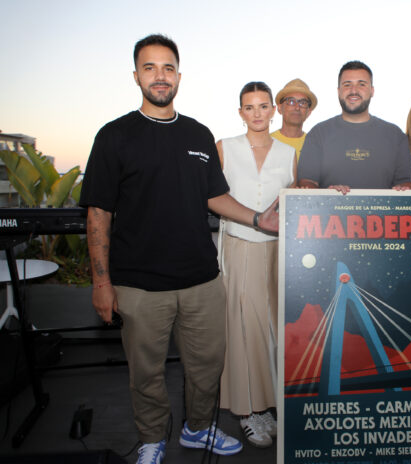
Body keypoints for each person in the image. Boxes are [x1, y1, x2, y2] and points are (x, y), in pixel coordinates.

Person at [80, 34, 278, 464]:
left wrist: (259, 219)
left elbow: (215, 196)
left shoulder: (198, 134)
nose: (160, 76)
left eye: (167, 67)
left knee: (207, 368)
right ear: (136, 76)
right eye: (149, 67)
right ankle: (152, 439)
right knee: (146, 373)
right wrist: (101, 282)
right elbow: (98, 213)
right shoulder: (114, 136)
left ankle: (198, 428)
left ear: (179, 76)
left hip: (202, 281)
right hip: (139, 285)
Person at [216, 82, 296, 448]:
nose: (257, 113)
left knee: (275, 330)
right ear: (240, 112)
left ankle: (268, 404)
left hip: (279, 250)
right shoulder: (225, 147)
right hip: (240, 246)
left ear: (273, 110)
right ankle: (248, 410)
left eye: (263, 106)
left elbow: (297, 201)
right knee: (244, 328)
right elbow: (212, 196)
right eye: (249, 107)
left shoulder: (288, 153)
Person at [297, 60, 411, 192]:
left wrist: (404, 190)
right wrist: (329, 194)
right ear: (338, 91)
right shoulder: (318, 134)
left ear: (372, 91)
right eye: (347, 84)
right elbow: (306, 182)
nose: (354, 91)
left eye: (361, 84)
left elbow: (408, 184)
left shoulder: (395, 136)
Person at [271, 78, 317, 161]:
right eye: (291, 101)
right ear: (280, 108)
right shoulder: (266, 143)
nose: (297, 107)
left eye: (303, 103)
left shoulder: (315, 145)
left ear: (308, 112)